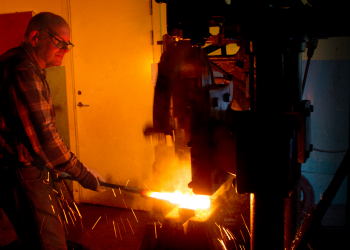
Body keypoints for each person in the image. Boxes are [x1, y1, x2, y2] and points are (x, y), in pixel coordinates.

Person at [0, 12, 105, 249]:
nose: (65, 50)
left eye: (68, 45)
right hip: (23, 173)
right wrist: (82, 174)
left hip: (13, 170)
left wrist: (66, 167)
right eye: (59, 42)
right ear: (35, 37)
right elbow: (45, 139)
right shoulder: (24, 71)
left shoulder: (14, 61)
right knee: (50, 243)